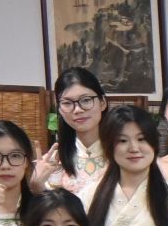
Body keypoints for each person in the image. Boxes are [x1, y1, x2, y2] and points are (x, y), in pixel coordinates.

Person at [33, 68, 110, 198]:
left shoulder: (122, 153)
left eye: (86, 100)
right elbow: (48, 208)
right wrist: (37, 186)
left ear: (102, 103)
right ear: (59, 109)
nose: (78, 109)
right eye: (67, 103)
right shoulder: (52, 162)